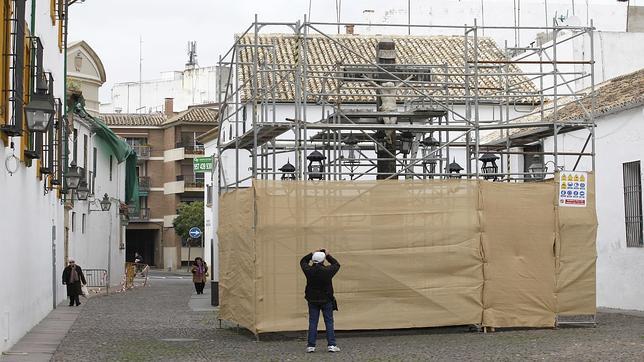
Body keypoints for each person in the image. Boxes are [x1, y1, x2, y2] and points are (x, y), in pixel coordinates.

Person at [300, 249, 341, 353]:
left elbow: (303, 261)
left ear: (313, 260)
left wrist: (311, 254)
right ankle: (331, 345)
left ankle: (311, 346)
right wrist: (328, 255)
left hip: (312, 299)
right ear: (323, 260)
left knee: (313, 322)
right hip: (326, 299)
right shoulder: (328, 271)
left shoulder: (308, 270)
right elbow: (336, 264)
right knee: (329, 321)